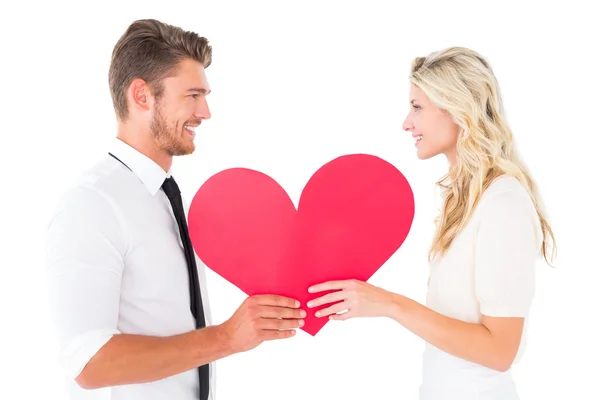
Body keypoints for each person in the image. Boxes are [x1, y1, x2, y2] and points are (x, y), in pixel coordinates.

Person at [45, 19, 305, 400]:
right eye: (192, 95)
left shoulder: (165, 198)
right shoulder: (93, 203)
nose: (206, 112)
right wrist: (226, 338)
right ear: (142, 95)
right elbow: (89, 362)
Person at [307, 47, 557, 399]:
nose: (406, 123)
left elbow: (500, 351)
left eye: (417, 107)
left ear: (457, 108)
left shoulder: (503, 203)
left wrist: (390, 305)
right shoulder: (467, 199)